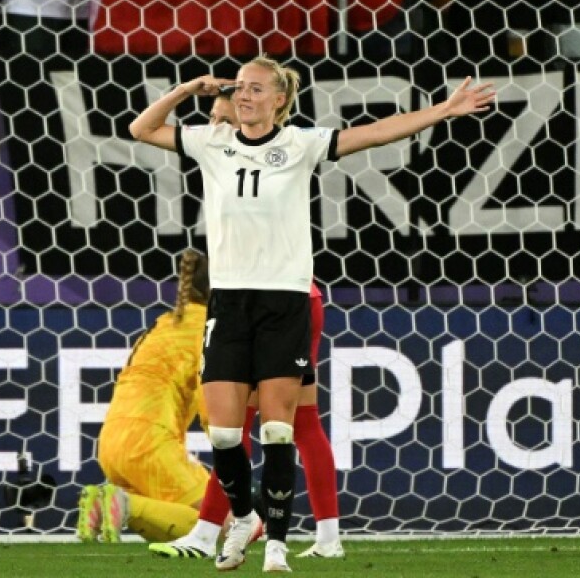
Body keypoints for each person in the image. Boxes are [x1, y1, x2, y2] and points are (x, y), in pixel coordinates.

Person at [129, 56, 495, 572]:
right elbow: (141, 128)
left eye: (256, 89)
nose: (244, 96)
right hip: (230, 301)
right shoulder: (212, 143)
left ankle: (277, 545)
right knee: (226, 436)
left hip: (286, 300)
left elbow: (375, 133)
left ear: (280, 99)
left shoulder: (300, 144)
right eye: (240, 89)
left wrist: (443, 110)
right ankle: (242, 517)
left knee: (279, 429)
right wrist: (187, 88)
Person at [147, 90, 345, 561]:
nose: (214, 125)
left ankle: (217, 528)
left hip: (285, 302)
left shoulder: (281, 151)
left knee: (256, 421)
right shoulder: (224, 154)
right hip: (267, 299)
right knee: (286, 424)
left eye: (222, 116)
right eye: (211, 118)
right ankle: (324, 535)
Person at [76, 248, 213, 545]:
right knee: (219, 526)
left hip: (112, 440)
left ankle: (108, 507)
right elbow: (210, 402)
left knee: (180, 511)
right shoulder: (207, 329)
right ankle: (126, 506)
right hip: (150, 442)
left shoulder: (166, 322)